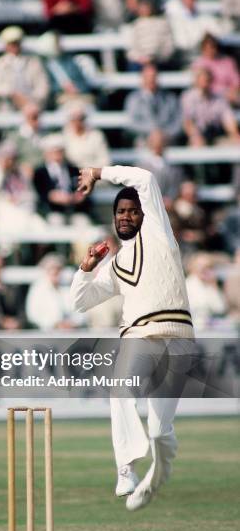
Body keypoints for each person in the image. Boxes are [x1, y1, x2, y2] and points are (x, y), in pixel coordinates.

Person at [71, 164, 195, 511]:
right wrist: (86, 269)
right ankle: (125, 467)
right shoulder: (114, 263)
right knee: (121, 389)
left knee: (159, 431)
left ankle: (156, 477)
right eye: (120, 212)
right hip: (138, 335)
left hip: (177, 335)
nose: (126, 217)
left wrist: (98, 171)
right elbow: (80, 302)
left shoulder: (158, 230)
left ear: (144, 213)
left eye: (132, 211)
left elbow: (146, 179)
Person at [0, 26, 50, 111]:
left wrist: (31, 101)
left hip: (33, 105)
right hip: (9, 104)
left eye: (16, 42)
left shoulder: (34, 62)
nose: (14, 45)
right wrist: (12, 94)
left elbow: (42, 87)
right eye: (11, 43)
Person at [124, 63, 181, 146]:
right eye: (148, 77)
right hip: (145, 139)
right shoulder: (133, 99)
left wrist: (164, 134)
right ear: (142, 78)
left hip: (167, 139)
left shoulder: (170, 98)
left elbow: (178, 122)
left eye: (154, 76)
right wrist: (152, 131)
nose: (151, 79)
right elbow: (131, 123)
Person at [180, 68, 240, 146]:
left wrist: (235, 135)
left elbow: (228, 120)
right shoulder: (188, 98)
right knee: (197, 144)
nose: (205, 83)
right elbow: (188, 123)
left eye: (207, 80)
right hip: (197, 136)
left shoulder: (219, 99)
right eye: (202, 80)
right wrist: (196, 136)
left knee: (236, 143)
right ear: (196, 81)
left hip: (216, 135)